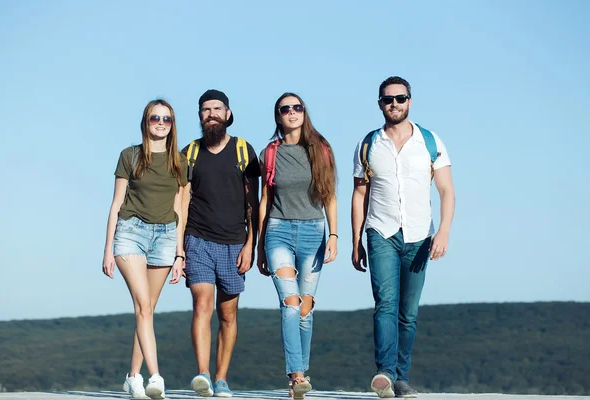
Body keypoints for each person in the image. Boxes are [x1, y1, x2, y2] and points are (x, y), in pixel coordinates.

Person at [351, 76, 455, 398]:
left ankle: (401, 378)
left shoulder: (430, 141)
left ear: (410, 100)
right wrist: (356, 240)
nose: (393, 104)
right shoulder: (368, 144)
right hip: (380, 232)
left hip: (420, 237)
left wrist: (444, 232)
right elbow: (359, 194)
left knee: (407, 313)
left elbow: (446, 190)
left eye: (400, 98)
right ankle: (384, 371)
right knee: (385, 304)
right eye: (387, 99)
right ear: (380, 103)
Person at [102, 99, 187, 399]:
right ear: (146, 122)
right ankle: (156, 377)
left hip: (165, 237)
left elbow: (180, 208)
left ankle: (132, 377)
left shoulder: (179, 161)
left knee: (147, 310)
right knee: (143, 305)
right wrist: (107, 249)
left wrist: (180, 253)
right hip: (131, 233)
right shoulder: (130, 156)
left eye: (166, 119)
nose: (161, 123)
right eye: (155, 118)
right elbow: (115, 204)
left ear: (172, 124)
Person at [257, 92, 338, 399]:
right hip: (277, 230)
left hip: (314, 233)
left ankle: (302, 374)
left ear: (304, 112)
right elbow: (265, 199)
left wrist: (334, 235)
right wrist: (260, 244)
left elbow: (329, 195)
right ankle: (296, 375)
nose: (291, 112)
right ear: (278, 116)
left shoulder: (320, 149)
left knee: (305, 308)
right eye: (284, 109)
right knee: (290, 303)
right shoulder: (271, 152)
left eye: (296, 107)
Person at [180, 89, 260, 398]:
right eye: (205, 109)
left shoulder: (243, 149)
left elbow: (253, 201)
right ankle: (202, 375)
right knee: (202, 305)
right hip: (197, 239)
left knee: (227, 315)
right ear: (200, 116)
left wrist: (250, 244)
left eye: (217, 108)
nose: (211, 113)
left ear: (228, 114)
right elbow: (182, 202)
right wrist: (179, 249)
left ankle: (221, 378)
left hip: (234, 243)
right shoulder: (189, 153)